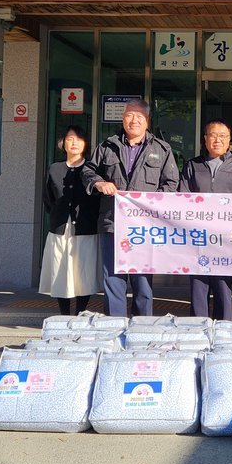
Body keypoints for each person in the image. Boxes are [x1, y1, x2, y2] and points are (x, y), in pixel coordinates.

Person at [83, 99, 178, 317]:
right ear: (122, 118)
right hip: (113, 223)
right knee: (113, 278)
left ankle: (142, 326)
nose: (134, 120)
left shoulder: (162, 149)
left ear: (147, 121)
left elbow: (172, 183)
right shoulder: (107, 147)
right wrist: (99, 183)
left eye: (139, 116)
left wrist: (151, 202)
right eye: (129, 115)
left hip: (145, 227)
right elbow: (88, 171)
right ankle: (115, 325)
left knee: (142, 281)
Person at [178, 119, 232, 321]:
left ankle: (224, 326)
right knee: (198, 285)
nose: (217, 140)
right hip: (198, 236)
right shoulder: (192, 165)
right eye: (213, 135)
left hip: (224, 238)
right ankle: (197, 327)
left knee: (223, 286)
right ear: (205, 139)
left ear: (229, 140)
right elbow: (183, 198)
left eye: (222, 136)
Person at [39, 125, 101, 316]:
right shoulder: (54, 168)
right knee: (60, 271)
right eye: (69, 139)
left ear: (85, 143)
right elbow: (48, 198)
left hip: (85, 227)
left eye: (79, 139)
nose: (74, 143)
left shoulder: (92, 170)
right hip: (60, 228)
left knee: (83, 272)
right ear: (62, 143)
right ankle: (64, 314)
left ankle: (80, 313)